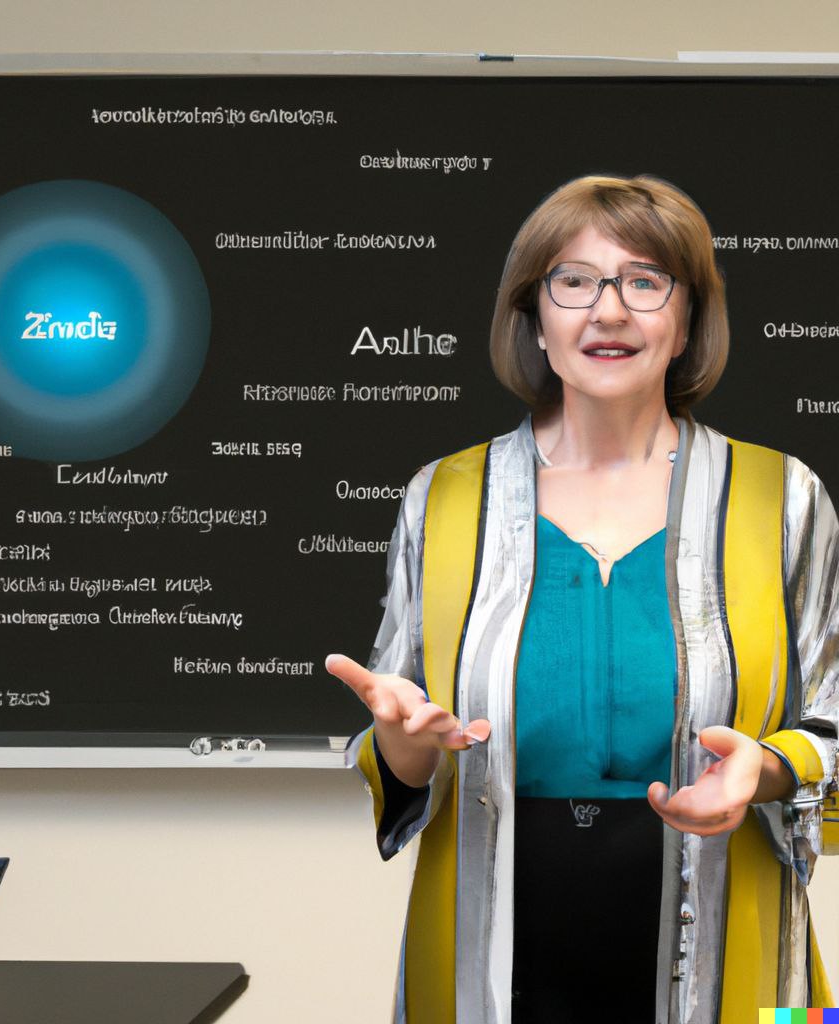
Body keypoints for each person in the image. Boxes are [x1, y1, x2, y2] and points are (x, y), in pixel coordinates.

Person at [326, 175, 839, 1024]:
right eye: (574, 281)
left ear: (687, 321)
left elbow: (834, 708)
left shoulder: (781, 495)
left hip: (735, 930)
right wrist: (402, 739)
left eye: (644, 281)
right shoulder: (445, 495)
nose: (608, 312)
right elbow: (404, 735)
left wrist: (770, 764)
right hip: (487, 939)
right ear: (534, 317)